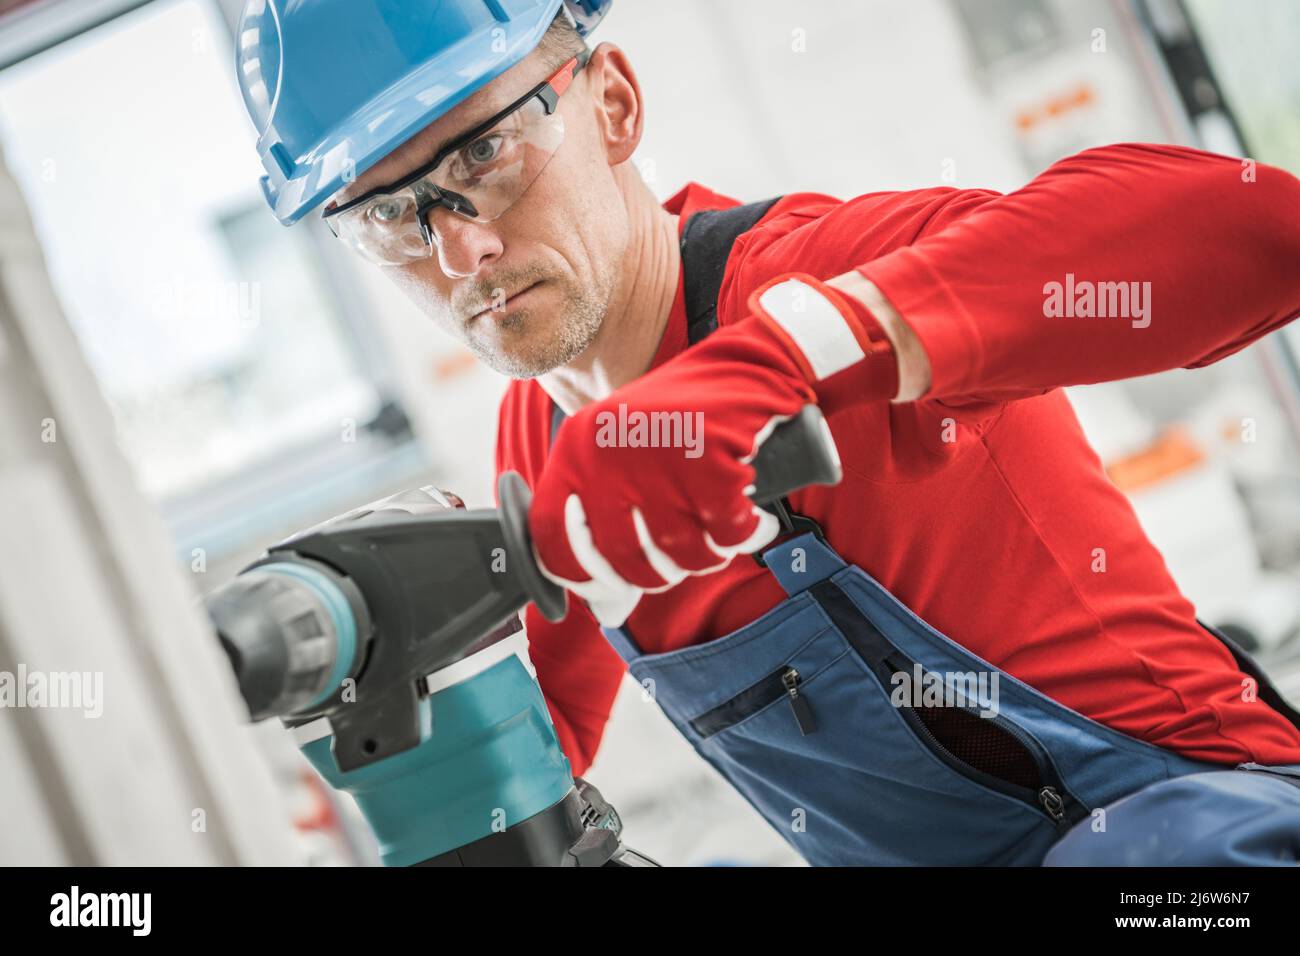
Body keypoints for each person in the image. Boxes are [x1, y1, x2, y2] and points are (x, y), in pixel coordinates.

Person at [236, 0, 1300, 865]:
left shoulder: (815, 269)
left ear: (611, 105)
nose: (461, 249)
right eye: (390, 213)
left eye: (486, 153)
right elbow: (538, 755)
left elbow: (1259, 229)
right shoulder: (539, 443)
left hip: (1199, 829)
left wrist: (794, 355)